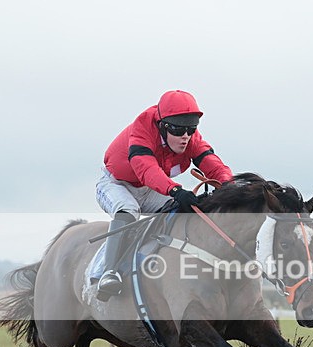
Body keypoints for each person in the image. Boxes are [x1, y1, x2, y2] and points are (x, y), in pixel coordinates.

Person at [95, 90, 234, 300]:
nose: (185, 136)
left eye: (191, 129)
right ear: (163, 126)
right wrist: (175, 190)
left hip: (150, 189)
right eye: (179, 130)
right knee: (128, 209)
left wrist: (229, 186)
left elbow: (213, 164)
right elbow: (147, 170)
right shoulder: (142, 130)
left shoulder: (190, 138)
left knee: (187, 210)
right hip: (116, 184)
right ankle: (108, 272)